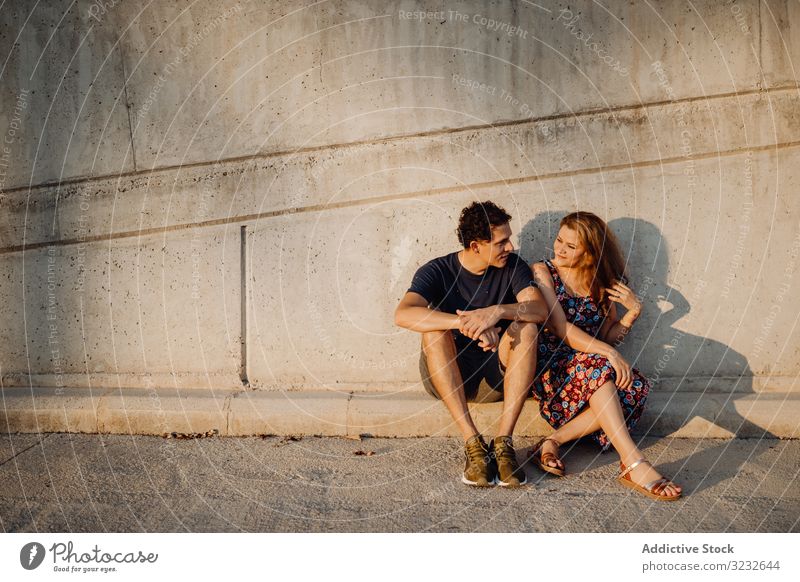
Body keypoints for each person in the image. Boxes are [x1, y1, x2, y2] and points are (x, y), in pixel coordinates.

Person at [529, 211, 683, 500]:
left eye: (571, 246)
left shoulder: (602, 280)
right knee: (602, 369)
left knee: (634, 386)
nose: (559, 249)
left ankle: (552, 441)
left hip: (591, 368)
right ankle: (634, 462)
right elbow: (560, 327)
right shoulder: (542, 272)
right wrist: (610, 353)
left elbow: (608, 335)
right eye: (559, 240)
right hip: (555, 373)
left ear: (591, 252)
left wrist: (632, 314)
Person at [395, 201, 547, 487]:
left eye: (509, 239)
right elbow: (403, 314)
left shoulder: (513, 267)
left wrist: (497, 312)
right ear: (476, 246)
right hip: (451, 378)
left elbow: (539, 310)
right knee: (434, 331)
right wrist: (467, 324)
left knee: (526, 328)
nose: (510, 247)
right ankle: (473, 443)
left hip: (498, 375)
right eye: (501, 242)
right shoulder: (438, 270)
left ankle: (503, 444)